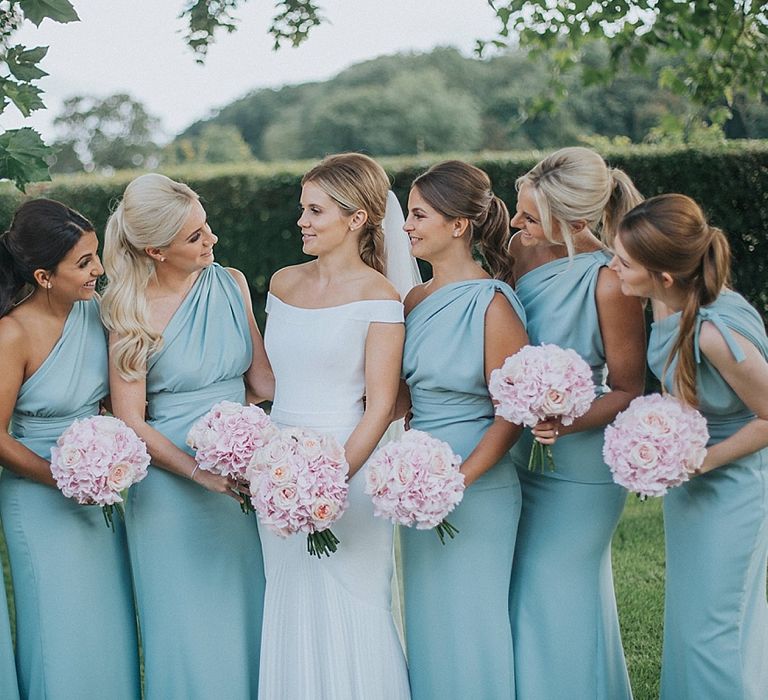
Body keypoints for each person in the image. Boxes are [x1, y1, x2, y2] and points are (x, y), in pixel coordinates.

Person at [100, 174, 273, 700]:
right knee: (186, 632)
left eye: (207, 226)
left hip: (239, 478)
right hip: (171, 493)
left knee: (252, 615)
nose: (212, 240)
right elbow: (132, 419)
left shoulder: (232, 283)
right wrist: (202, 472)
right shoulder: (126, 310)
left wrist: (239, 442)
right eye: (195, 236)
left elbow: (263, 383)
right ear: (155, 250)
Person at [257, 152, 411, 699]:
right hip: (276, 474)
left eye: (316, 210)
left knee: (355, 600)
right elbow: (273, 382)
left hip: (350, 465)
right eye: (303, 208)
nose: (302, 220)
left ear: (356, 218)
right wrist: (276, 475)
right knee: (290, 595)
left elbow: (381, 405)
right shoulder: (281, 283)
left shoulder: (381, 297)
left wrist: (326, 481)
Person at [610, 193, 768, 700]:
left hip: (733, 487)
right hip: (690, 486)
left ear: (665, 275)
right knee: (688, 621)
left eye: (624, 261)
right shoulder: (664, 301)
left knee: (711, 632)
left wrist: (696, 461)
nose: (613, 266)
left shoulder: (715, 334)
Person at [507, 146, 646, 699]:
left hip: (581, 468)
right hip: (521, 454)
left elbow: (630, 388)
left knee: (553, 592)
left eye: (530, 215)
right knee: (531, 594)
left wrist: (565, 421)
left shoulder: (609, 281)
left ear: (577, 222)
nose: (516, 222)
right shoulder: (522, 251)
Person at [0, 200, 140, 699]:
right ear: (43, 275)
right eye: (84, 263)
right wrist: (64, 479)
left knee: (106, 626)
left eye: (95, 255)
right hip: (39, 501)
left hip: (100, 496)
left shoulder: (96, 315)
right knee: (58, 629)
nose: (99, 269)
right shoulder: (11, 334)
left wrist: (108, 464)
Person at [399, 160, 528, 699]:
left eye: (418, 214)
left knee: (472, 626)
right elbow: (402, 400)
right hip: (413, 486)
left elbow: (512, 413)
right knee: (429, 624)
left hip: (477, 483)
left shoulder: (492, 302)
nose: (407, 224)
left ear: (458, 225)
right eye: (408, 213)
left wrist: (459, 478)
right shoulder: (412, 300)